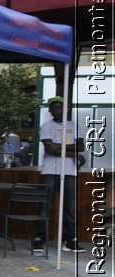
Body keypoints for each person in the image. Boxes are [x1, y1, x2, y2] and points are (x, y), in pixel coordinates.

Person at [36, 96, 82, 254]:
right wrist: (71, 151)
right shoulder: (46, 126)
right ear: (49, 110)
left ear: (66, 108)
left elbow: (80, 147)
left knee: (68, 208)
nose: (57, 110)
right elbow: (50, 149)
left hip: (69, 171)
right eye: (54, 107)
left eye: (59, 107)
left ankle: (70, 240)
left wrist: (59, 147)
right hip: (50, 171)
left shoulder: (74, 126)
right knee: (44, 206)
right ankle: (39, 239)